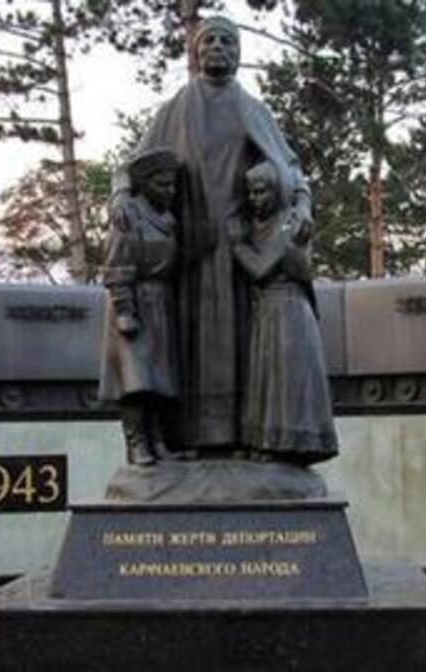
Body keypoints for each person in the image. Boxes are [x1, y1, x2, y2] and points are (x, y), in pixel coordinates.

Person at [112, 16, 313, 455]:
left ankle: (246, 436)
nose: (218, 47)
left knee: (244, 349)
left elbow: (292, 169)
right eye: (209, 41)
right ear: (195, 53)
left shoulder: (254, 110)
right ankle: (182, 438)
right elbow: (132, 166)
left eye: (227, 40)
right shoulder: (177, 107)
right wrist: (121, 196)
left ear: (239, 53)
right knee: (183, 349)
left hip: (242, 250)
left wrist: (301, 205)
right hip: (190, 251)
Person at [229, 161, 337, 464]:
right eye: (250, 193)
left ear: (276, 192)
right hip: (267, 310)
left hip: (288, 310)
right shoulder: (260, 224)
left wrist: (237, 245)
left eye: (261, 192)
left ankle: (289, 445)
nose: (254, 199)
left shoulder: (291, 222)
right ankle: (265, 442)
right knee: (267, 381)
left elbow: (260, 268)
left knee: (285, 381)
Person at [99, 148, 181, 466]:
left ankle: (158, 441)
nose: (170, 191)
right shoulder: (128, 216)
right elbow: (116, 265)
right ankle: (137, 443)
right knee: (135, 381)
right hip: (134, 301)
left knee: (159, 380)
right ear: (144, 184)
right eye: (163, 185)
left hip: (161, 302)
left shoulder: (167, 218)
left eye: (172, 185)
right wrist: (124, 311)